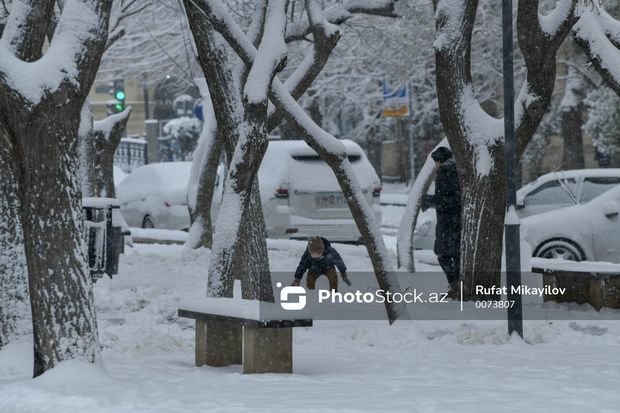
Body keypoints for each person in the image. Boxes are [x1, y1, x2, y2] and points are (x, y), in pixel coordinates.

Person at [422, 147, 461, 298]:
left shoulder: (446, 171)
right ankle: (457, 287)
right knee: (456, 255)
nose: (435, 165)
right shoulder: (455, 169)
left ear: (440, 160)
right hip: (456, 220)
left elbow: (449, 200)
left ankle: (455, 285)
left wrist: (429, 200)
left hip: (448, 221)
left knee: (442, 254)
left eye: (435, 161)